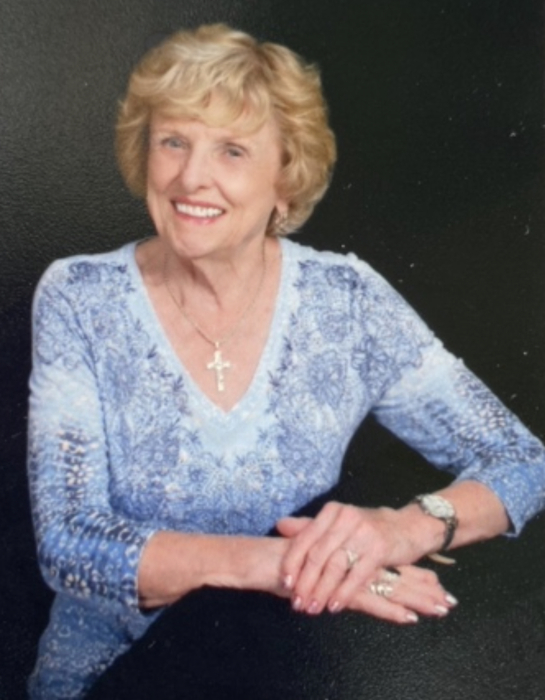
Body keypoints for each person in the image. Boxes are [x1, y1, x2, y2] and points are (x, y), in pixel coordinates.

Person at [27, 23, 545, 699]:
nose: (190, 176)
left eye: (232, 150)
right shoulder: (79, 296)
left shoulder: (347, 301)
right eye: (172, 141)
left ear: (285, 177)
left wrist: (399, 530)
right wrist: (289, 566)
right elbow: (69, 543)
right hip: (110, 673)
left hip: (279, 666)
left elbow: (523, 462)